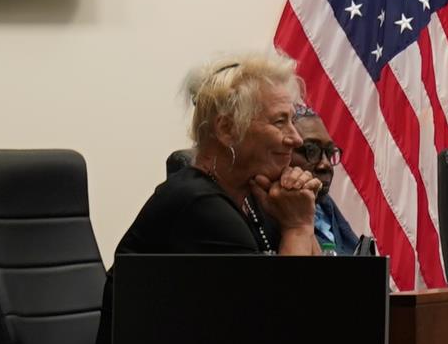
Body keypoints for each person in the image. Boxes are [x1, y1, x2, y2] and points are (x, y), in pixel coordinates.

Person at [117, 52, 354, 258]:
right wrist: (298, 227)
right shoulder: (199, 205)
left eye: (292, 120)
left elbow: (321, 292)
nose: (296, 138)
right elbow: (285, 308)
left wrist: (297, 218)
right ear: (227, 129)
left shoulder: (256, 197)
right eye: (280, 121)